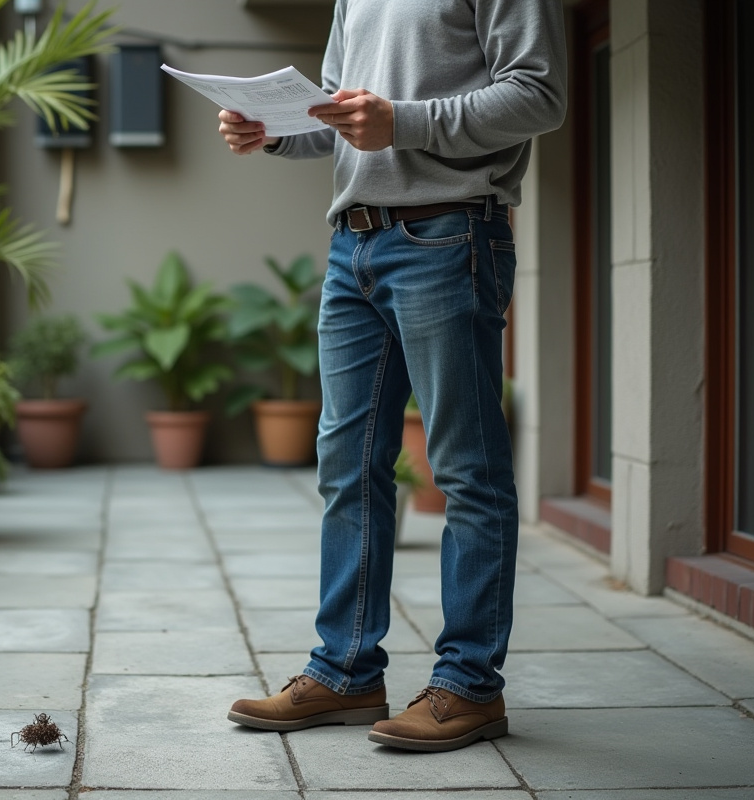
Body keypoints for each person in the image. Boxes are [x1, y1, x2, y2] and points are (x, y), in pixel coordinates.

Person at [220, 0, 567, 753]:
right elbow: (343, 115)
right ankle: (345, 671)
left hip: (448, 235)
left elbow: (539, 95)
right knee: (347, 465)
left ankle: (471, 685)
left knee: (467, 471)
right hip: (355, 247)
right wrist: (272, 129)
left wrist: (402, 122)